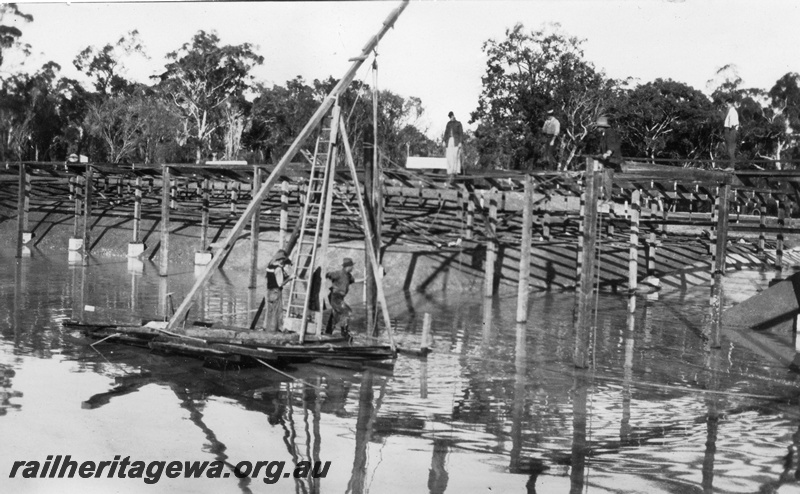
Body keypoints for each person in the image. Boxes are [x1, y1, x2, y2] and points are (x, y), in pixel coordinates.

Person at [325, 257, 356, 337]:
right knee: (347, 311)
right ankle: (344, 332)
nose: (353, 268)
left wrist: (365, 279)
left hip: (339, 298)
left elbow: (354, 280)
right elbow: (328, 274)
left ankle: (328, 332)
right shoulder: (338, 273)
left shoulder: (348, 275)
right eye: (352, 266)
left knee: (336, 315)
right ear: (348, 267)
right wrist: (327, 275)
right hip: (335, 297)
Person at [263, 249, 292, 332]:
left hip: (269, 291)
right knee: (277, 312)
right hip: (276, 291)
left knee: (269, 311)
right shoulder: (278, 269)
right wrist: (290, 278)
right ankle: (276, 330)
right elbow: (280, 284)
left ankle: (267, 328)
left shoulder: (269, 267)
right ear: (281, 260)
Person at [595, 115, 623, 200]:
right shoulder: (604, 134)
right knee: (604, 179)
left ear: (602, 127)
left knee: (607, 179)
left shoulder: (609, 132)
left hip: (613, 160)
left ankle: (608, 198)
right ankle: (606, 196)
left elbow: (612, 146)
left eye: (598, 127)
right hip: (608, 161)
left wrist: (607, 153)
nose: (597, 129)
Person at [443, 111, 463, 184]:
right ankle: (450, 170)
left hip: (456, 141)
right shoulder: (448, 124)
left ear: (454, 116)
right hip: (449, 140)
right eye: (449, 117)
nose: (451, 118)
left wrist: (460, 142)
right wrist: (444, 141)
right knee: (449, 156)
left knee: (456, 156)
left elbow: (461, 133)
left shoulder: (458, 123)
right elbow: (446, 133)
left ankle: (456, 170)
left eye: (451, 116)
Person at [723, 99, 739, 169]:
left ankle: (731, 167)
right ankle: (730, 166)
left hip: (731, 131)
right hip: (728, 130)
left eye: (727, 104)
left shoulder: (733, 111)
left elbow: (733, 124)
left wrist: (730, 131)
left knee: (730, 149)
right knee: (728, 149)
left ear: (730, 104)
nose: (726, 106)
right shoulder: (730, 111)